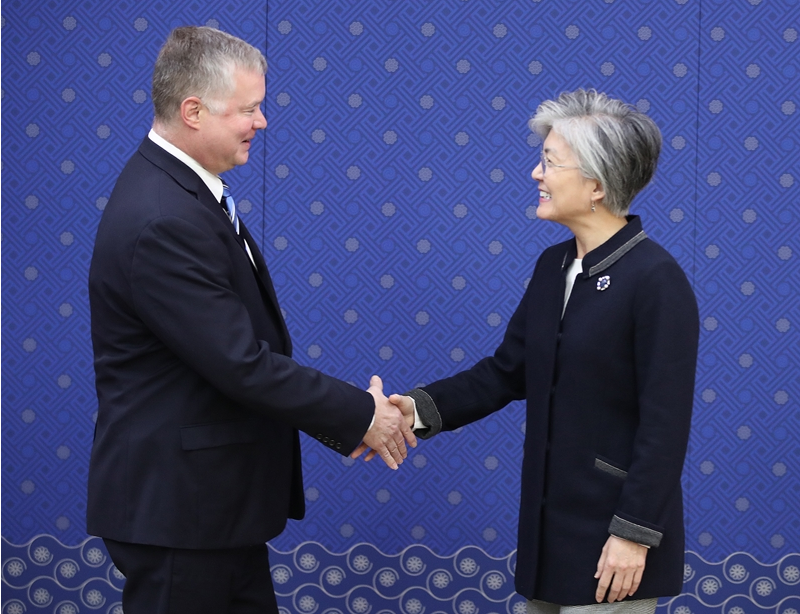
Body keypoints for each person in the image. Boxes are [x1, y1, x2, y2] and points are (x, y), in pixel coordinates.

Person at [87, 26, 415, 614]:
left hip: (211, 514)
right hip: (179, 518)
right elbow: (240, 364)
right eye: (249, 109)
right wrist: (363, 414)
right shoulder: (163, 218)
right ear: (193, 110)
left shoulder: (181, 195)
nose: (261, 123)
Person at [357, 89, 699, 612]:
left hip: (614, 544)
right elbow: (506, 373)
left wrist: (634, 535)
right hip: (549, 537)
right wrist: (416, 409)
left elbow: (665, 424)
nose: (536, 174)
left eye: (549, 162)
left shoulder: (656, 280)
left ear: (597, 185)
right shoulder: (552, 266)